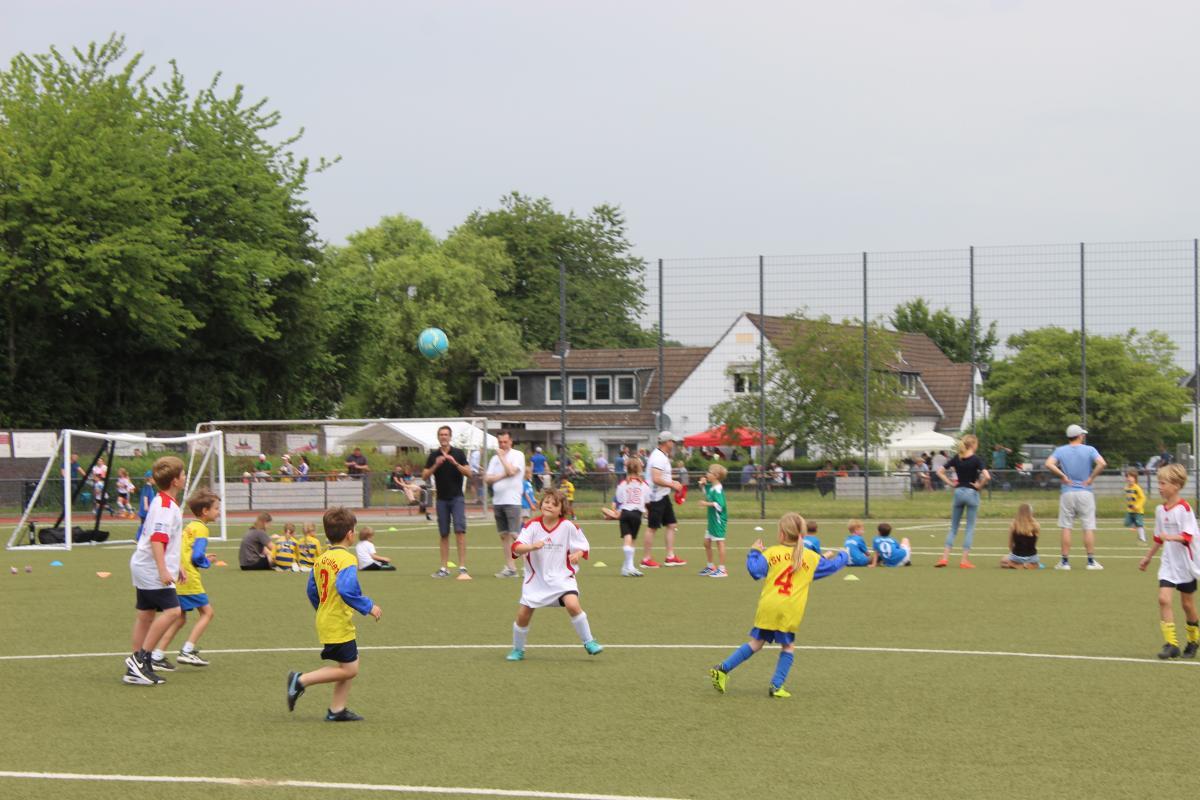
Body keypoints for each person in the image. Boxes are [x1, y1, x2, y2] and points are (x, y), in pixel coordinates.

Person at [708, 512, 848, 697]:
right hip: (788, 610)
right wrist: (844, 555)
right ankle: (776, 686)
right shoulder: (811, 557)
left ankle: (722, 669)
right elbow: (832, 566)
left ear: (781, 534)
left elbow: (755, 571)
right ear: (803, 535)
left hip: (768, 606)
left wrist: (754, 551)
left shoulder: (772, 552)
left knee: (756, 643)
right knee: (788, 647)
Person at [287, 506, 383, 721]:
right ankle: (300, 680)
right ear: (350, 534)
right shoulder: (347, 559)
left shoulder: (322, 558)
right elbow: (346, 589)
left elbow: (311, 589)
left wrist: (322, 608)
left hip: (327, 618)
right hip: (337, 622)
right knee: (350, 670)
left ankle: (337, 710)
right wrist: (368, 606)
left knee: (348, 664)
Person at [506, 489, 603, 661]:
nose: (549, 505)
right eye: (546, 502)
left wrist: (578, 554)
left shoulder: (568, 526)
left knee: (573, 605)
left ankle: (589, 642)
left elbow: (583, 546)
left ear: (561, 510)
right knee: (523, 615)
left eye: (554, 504)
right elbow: (516, 548)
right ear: (541, 504)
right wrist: (532, 546)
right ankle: (518, 649)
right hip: (536, 580)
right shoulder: (532, 526)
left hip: (562, 578)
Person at [122, 456, 187, 686]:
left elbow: (165, 539)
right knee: (173, 611)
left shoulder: (162, 501)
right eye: (183, 474)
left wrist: (177, 565)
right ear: (175, 481)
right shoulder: (166, 506)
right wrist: (163, 570)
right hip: (151, 568)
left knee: (146, 615)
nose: (185, 477)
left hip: (143, 564)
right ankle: (140, 660)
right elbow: (158, 539)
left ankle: (136, 665)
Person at [1137, 464, 1200, 660]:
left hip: (1186, 564)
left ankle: (1193, 641)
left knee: (1187, 605)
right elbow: (1158, 538)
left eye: (1163, 483)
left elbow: (1188, 536)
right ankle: (1171, 644)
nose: (1159, 487)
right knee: (1163, 599)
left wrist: (1170, 537)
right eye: (1159, 483)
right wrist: (1148, 557)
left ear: (1176, 485)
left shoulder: (1184, 509)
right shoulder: (1160, 510)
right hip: (1168, 563)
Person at [153, 489, 221, 667]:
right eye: (216, 508)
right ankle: (187, 651)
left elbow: (184, 550)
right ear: (205, 511)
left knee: (180, 618)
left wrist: (201, 557)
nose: (219, 512)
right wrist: (206, 561)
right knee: (207, 613)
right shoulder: (202, 529)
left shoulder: (190, 526)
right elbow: (196, 556)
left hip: (178, 574)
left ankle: (157, 656)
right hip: (188, 578)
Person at [1044, 424, 1107, 570]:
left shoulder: (1060, 450)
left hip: (1067, 492)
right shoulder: (1089, 449)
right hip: (1085, 492)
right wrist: (1091, 478)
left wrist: (1062, 476)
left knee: (1066, 526)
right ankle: (1091, 561)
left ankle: (1065, 562)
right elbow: (1102, 463)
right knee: (1088, 526)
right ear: (1079, 436)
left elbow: (1049, 464)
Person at [934, 434, 990, 569]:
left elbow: (939, 472)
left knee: (953, 528)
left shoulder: (957, 458)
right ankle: (964, 560)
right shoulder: (976, 459)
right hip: (971, 493)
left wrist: (951, 483)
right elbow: (987, 476)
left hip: (958, 492)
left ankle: (944, 558)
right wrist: (979, 486)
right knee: (969, 528)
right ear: (973, 445)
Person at [423, 425, 471, 579]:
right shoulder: (433, 455)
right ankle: (444, 568)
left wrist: (455, 463)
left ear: (450, 437)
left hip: (457, 498)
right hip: (441, 499)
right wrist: (436, 464)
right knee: (444, 533)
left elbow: (469, 473)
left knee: (459, 531)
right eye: (441, 434)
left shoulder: (458, 453)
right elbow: (424, 475)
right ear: (438, 437)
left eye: (446, 434)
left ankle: (462, 567)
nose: (443, 437)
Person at [484, 431, 526, 578]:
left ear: (510, 442)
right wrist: (502, 475)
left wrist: (502, 458)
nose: (502, 445)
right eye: (500, 442)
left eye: (505, 442)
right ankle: (511, 568)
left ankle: (530, 566)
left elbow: (512, 471)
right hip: (498, 501)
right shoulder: (494, 459)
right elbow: (487, 479)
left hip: (512, 500)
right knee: (504, 535)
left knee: (515, 534)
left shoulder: (518, 455)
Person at [643, 431, 686, 569]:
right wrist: (672, 485)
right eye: (672, 441)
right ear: (667, 442)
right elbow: (656, 478)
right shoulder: (658, 457)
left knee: (671, 524)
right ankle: (646, 559)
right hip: (655, 497)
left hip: (663, 495)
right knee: (652, 527)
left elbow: (662, 476)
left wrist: (673, 483)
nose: (673, 444)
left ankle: (670, 557)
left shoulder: (662, 456)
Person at [612, 457, 649, 577]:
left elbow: (619, 499)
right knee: (632, 541)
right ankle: (629, 567)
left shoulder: (623, 484)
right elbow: (647, 500)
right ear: (639, 469)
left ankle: (627, 568)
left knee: (627, 539)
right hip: (637, 515)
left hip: (625, 513)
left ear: (627, 469)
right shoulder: (643, 484)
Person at [698, 464, 729, 577]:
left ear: (716, 476)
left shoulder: (718, 489)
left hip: (718, 520)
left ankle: (722, 569)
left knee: (720, 542)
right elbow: (708, 495)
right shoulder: (712, 487)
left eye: (709, 472)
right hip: (712, 521)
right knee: (706, 543)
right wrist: (702, 485)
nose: (707, 474)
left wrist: (705, 504)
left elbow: (720, 505)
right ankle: (711, 566)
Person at [1000, 503, 1041, 569]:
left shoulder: (1013, 524)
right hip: (1032, 557)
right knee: (1036, 563)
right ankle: (1028, 565)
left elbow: (1010, 544)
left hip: (1017, 556)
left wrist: (1013, 554)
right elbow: (1035, 544)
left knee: (1003, 560)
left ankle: (1016, 565)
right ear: (1031, 513)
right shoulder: (1036, 525)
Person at [1124, 469, 1148, 544]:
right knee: (1127, 523)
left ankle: (1143, 538)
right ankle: (1135, 524)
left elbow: (1143, 498)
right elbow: (1129, 498)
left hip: (1138, 511)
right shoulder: (1126, 488)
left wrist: (1137, 506)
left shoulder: (1137, 488)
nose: (1129, 479)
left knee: (1139, 524)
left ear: (1135, 478)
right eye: (1128, 477)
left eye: (1131, 477)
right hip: (1130, 510)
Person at [136, 469, 158, 540]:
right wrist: (146, 506)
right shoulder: (147, 486)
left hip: (147, 510)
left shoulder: (149, 487)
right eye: (154, 478)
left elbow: (150, 497)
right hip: (145, 510)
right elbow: (145, 497)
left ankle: (142, 537)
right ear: (150, 478)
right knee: (144, 524)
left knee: (146, 524)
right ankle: (139, 537)